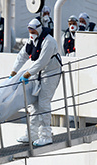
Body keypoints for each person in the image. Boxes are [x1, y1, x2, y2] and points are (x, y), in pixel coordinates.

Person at [9, 18, 62, 146]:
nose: (31, 32)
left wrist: (27, 74)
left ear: (38, 29)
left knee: (43, 103)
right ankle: (32, 134)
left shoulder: (49, 41)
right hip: (39, 73)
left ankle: (46, 135)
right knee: (33, 105)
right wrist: (14, 71)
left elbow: (41, 61)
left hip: (51, 73)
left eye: (33, 30)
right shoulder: (32, 40)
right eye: (29, 30)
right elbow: (23, 55)